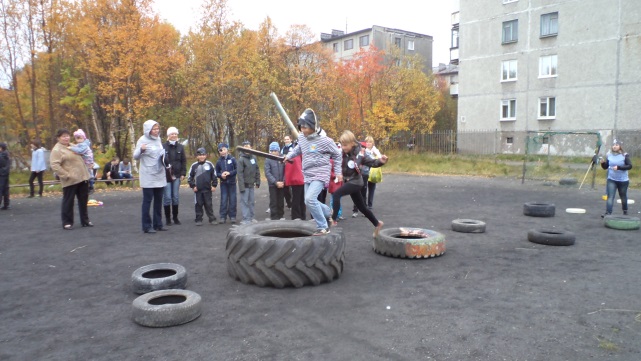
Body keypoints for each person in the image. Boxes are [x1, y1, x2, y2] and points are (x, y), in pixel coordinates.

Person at [284, 108, 342, 236]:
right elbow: (299, 148)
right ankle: (328, 211)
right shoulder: (302, 138)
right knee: (307, 201)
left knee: (310, 199)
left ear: (313, 126)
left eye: (305, 127)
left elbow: (337, 155)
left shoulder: (325, 141)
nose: (303, 130)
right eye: (301, 128)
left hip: (321, 173)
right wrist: (289, 156)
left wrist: (338, 172)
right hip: (308, 173)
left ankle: (323, 226)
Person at [331, 130, 388, 237]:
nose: (343, 147)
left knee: (337, 194)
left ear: (352, 143)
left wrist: (381, 161)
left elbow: (372, 162)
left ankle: (333, 220)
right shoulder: (343, 152)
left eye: (345, 145)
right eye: (342, 145)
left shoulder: (360, 153)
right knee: (362, 208)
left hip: (356, 182)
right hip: (350, 182)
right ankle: (377, 223)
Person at [49, 129, 93, 228]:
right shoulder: (57, 150)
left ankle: (85, 220)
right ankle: (67, 222)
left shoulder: (73, 145)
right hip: (70, 179)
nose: (66, 138)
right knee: (68, 201)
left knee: (83, 200)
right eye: (63, 136)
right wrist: (66, 175)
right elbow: (55, 165)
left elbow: (85, 154)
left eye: (67, 136)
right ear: (58, 138)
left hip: (82, 177)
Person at [133, 120, 168, 233]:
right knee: (147, 201)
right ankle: (147, 226)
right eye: (154, 129)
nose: (157, 131)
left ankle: (158, 224)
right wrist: (141, 150)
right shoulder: (142, 140)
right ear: (149, 130)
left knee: (158, 201)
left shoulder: (158, 139)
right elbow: (135, 156)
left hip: (159, 174)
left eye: (158, 129)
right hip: (148, 175)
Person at [600, 139, 633, 217]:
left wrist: (619, 167)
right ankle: (608, 213)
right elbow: (605, 167)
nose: (614, 146)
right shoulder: (609, 155)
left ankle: (625, 211)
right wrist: (603, 163)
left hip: (623, 180)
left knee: (623, 196)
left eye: (616, 145)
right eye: (613, 145)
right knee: (610, 196)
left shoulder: (624, 155)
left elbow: (629, 166)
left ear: (620, 146)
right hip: (611, 179)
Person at [162, 127, 187, 225]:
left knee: (175, 197)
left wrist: (183, 173)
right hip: (166, 175)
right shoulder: (163, 146)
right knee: (167, 197)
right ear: (168, 136)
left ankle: (175, 217)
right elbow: (161, 160)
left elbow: (183, 161)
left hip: (177, 175)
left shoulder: (180, 147)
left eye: (175, 134)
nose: (174, 136)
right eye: (172, 134)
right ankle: (168, 218)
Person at [188, 147, 218, 225]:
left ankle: (212, 219)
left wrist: (214, 185)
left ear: (206, 155)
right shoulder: (194, 166)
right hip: (198, 190)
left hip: (207, 189)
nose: (202, 156)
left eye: (203, 155)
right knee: (198, 204)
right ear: (197, 156)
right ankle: (198, 219)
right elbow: (190, 177)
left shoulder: (210, 164)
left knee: (208, 204)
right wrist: (193, 186)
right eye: (200, 155)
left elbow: (214, 175)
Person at [237, 140, 260, 225]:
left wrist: (258, 181)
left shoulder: (253, 158)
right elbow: (239, 174)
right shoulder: (241, 159)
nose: (247, 148)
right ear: (243, 148)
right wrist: (242, 187)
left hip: (251, 184)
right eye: (245, 146)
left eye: (248, 146)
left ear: (251, 147)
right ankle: (246, 219)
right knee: (244, 202)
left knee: (252, 201)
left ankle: (252, 217)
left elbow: (257, 169)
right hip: (245, 185)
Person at [215, 143, 237, 224]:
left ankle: (232, 216)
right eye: (221, 150)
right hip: (223, 183)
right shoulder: (218, 161)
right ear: (219, 152)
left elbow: (237, 170)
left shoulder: (233, 159)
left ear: (227, 150)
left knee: (232, 199)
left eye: (224, 149)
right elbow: (216, 172)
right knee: (224, 199)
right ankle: (223, 216)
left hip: (232, 183)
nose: (223, 151)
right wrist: (221, 175)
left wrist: (230, 173)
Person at [265, 141, 285, 220]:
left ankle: (281, 216)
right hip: (273, 184)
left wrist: (283, 181)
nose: (273, 152)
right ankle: (274, 217)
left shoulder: (282, 158)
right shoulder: (268, 159)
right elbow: (267, 172)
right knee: (273, 201)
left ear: (278, 150)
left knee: (281, 201)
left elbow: (285, 171)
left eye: (275, 151)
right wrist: (275, 182)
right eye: (272, 151)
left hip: (282, 183)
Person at [363, 136, 382, 209]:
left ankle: (370, 205)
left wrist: (375, 154)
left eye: (370, 142)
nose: (368, 143)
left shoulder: (375, 150)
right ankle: (363, 204)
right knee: (363, 188)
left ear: (372, 143)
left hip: (373, 171)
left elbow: (380, 159)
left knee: (371, 188)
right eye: (367, 142)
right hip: (365, 171)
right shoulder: (363, 150)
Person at [281, 135, 295, 209]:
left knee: (293, 188)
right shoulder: (283, 148)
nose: (286, 141)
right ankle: (289, 203)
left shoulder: (293, 147)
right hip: (284, 169)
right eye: (285, 139)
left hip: (292, 169)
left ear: (291, 140)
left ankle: (293, 202)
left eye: (287, 139)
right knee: (285, 188)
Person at [0, 142, 10, 210]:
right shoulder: (7, 155)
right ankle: (6, 204)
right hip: (6, 173)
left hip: (1, 173)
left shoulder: (1, 156)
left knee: (0, 189)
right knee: (6, 189)